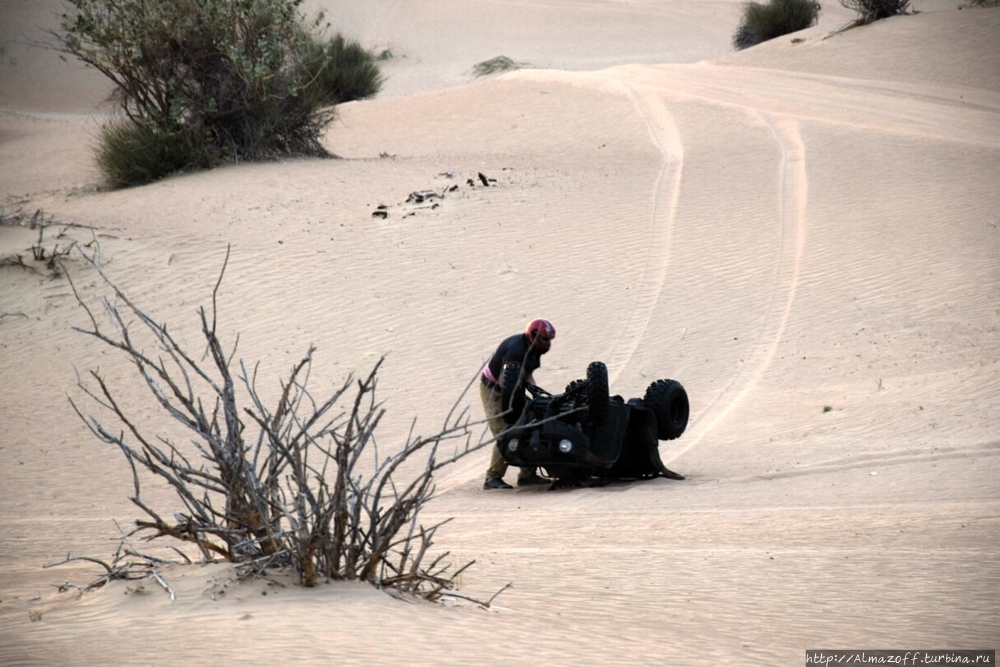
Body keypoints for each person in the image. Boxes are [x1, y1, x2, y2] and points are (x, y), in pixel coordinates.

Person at [480, 318, 556, 490]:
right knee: (505, 432)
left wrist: (537, 395)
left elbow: (527, 374)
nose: (548, 343)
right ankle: (492, 478)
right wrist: (514, 408)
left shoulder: (535, 349)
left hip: (514, 388)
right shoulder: (515, 350)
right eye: (545, 339)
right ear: (534, 335)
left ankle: (527, 476)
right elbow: (503, 381)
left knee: (532, 422)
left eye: (549, 339)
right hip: (494, 390)